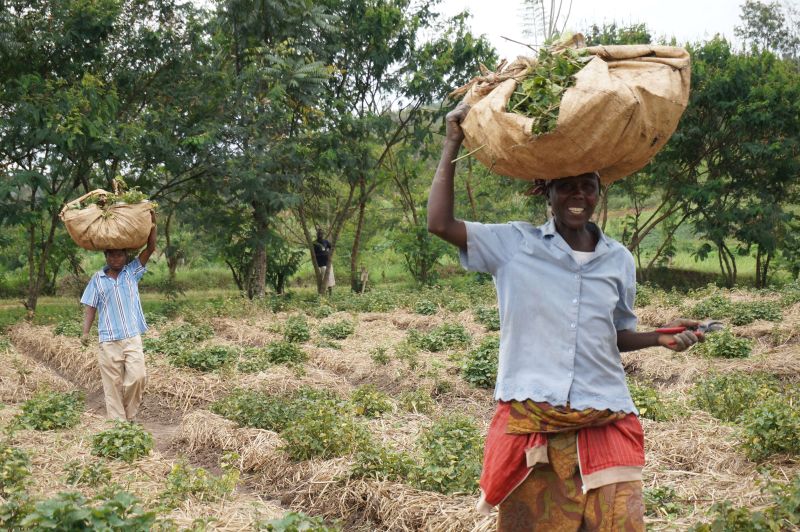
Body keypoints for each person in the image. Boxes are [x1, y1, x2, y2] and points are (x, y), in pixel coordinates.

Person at [427, 103, 703, 531]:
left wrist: (658, 338)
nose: (578, 196)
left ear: (598, 192)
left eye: (587, 186)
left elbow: (616, 334)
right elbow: (439, 223)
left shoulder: (619, 260)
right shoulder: (514, 245)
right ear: (547, 193)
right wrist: (452, 142)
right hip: (534, 415)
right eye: (567, 187)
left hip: (607, 413)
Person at [80, 212, 157, 421]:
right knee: (112, 385)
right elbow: (90, 306)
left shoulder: (132, 272)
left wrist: (152, 222)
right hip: (108, 340)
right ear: (106, 256)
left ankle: (130, 416)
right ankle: (118, 425)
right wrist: (85, 332)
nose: (116, 259)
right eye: (112, 255)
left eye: (120, 255)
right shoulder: (98, 279)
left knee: (137, 377)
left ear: (126, 257)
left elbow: (150, 248)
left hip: (131, 336)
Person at [313, 227, 335, 295]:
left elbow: (331, 247)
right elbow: (313, 254)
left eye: (321, 233)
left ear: (323, 234)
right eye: (319, 233)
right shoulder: (314, 243)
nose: (320, 235)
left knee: (330, 279)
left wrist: (328, 252)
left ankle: (330, 294)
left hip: (328, 263)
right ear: (317, 234)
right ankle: (323, 294)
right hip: (320, 264)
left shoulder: (326, 241)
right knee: (323, 280)